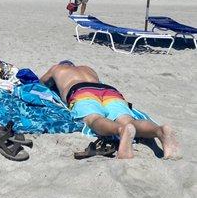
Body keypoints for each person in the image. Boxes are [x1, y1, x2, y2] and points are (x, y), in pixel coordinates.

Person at [39, 61, 179, 159]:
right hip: (108, 91)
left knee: (94, 119)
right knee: (128, 120)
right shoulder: (88, 69)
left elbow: (40, 83)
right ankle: (159, 131)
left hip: (81, 91)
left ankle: (121, 130)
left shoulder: (57, 68)